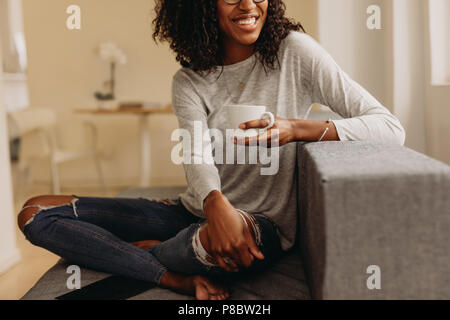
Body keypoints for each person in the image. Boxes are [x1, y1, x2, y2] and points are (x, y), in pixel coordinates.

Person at [18, 0, 405, 300]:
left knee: (219, 245)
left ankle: (158, 260)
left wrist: (296, 129)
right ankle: (170, 269)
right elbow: (196, 154)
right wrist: (215, 203)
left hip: (261, 226)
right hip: (194, 210)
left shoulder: (295, 53)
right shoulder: (188, 81)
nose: (249, 5)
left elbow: (389, 127)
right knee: (36, 214)